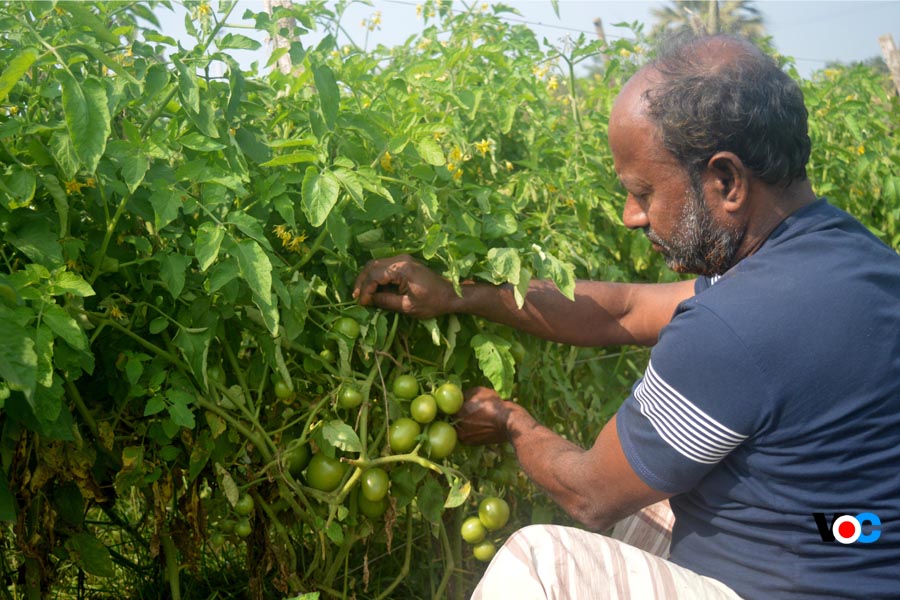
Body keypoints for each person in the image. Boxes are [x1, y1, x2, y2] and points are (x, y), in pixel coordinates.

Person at [353, 34, 900, 599]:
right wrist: (461, 294)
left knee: (543, 562)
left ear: (727, 181)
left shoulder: (734, 327)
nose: (630, 215)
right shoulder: (855, 264)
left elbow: (592, 495)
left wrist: (513, 424)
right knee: (664, 490)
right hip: (852, 552)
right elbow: (628, 309)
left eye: (643, 191)